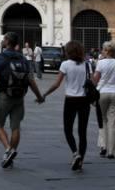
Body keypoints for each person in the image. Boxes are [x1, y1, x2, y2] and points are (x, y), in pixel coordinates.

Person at [0, 32, 45, 169]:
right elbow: (31, 80)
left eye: (4, 39)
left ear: (7, 41)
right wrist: (39, 96)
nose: (2, 41)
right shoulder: (23, 59)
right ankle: (10, 156)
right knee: (16, 127)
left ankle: (8, 149)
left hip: (4, 95)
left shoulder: (0, 58)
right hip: (19, 97)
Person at [41, 41, 91, 171]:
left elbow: (57, 84)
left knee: (68, 130)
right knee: (82, 132)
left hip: (71, 100)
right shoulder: (87, 65)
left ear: (68, 51)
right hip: (84, 100)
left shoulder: (65, 65)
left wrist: (45, 94)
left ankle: (75, 153)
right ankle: (81, 161)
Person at [93, 41, 115, 159]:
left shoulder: (100, 63)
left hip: (102, 93)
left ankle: (103, 146)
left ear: (106, 51)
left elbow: (95, 79)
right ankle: (111, 151)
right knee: (113, 123)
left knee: (103, 120)